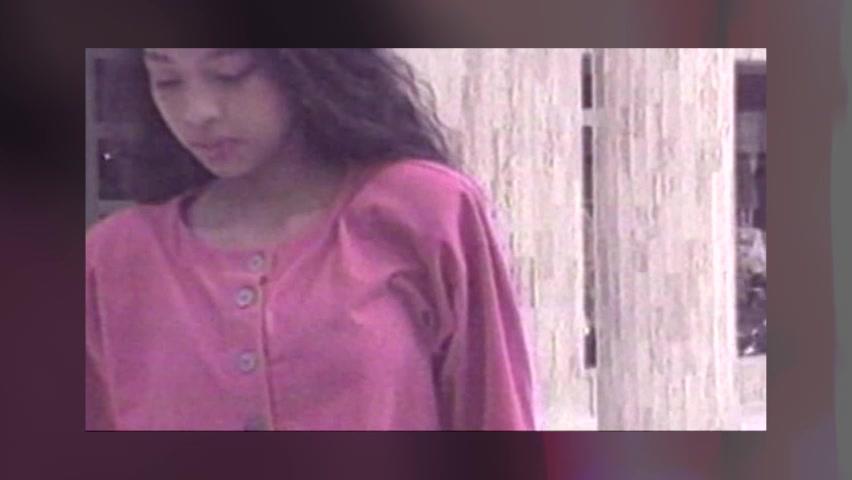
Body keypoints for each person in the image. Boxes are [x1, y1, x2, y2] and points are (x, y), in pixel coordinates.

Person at [85, 48, 535, 431]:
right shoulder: (115, 259)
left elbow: (494, 412)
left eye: (230, 74)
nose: (198, 111)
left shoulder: (423, 211)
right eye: (167, 82)